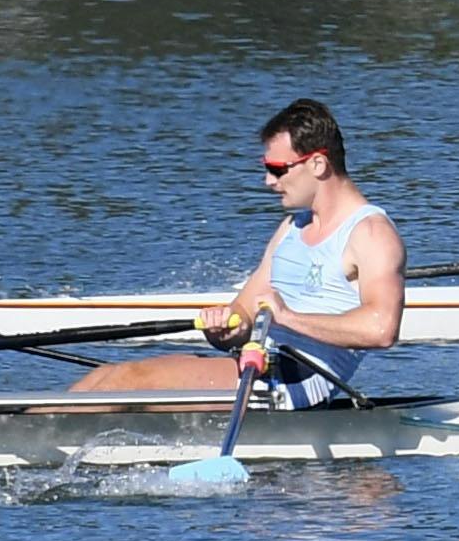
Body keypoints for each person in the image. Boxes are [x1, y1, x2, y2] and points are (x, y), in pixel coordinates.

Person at [75, 99, 408, 398]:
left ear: (318, 165)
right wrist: (223, 329)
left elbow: (381, 329)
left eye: (277, 169)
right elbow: (243, 315)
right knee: (103, 377)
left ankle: (31, 444)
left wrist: (289, 318)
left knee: (129, 380)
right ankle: (30, 435)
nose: (268, 181)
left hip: (298, 380)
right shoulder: (292, 228)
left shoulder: (371, 233)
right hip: (260, 364)